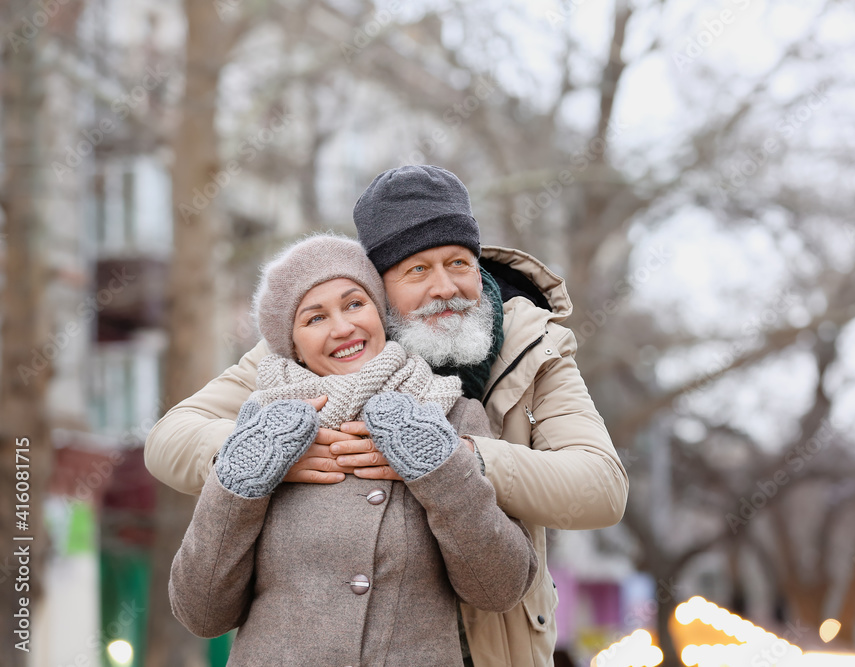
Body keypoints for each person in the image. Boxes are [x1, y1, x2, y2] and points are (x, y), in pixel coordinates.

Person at [146, 165, 629, 667]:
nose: (445, 287)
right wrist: (271, 457)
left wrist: (457, 458)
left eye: (458, 262)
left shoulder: (533, 342)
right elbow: (171, 438)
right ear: (378, 288)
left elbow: (600, 487)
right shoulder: (305, 353)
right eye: (416, 269)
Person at [169, 234, 537, 666]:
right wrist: (239, 478)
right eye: (315, 318)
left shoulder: (452, 414)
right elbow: (202, 613)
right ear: (294, 346)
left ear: (379, 313)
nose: (343, 327)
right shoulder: (260, 425)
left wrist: (441, 467)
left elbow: (500, 588)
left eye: (354, 304)